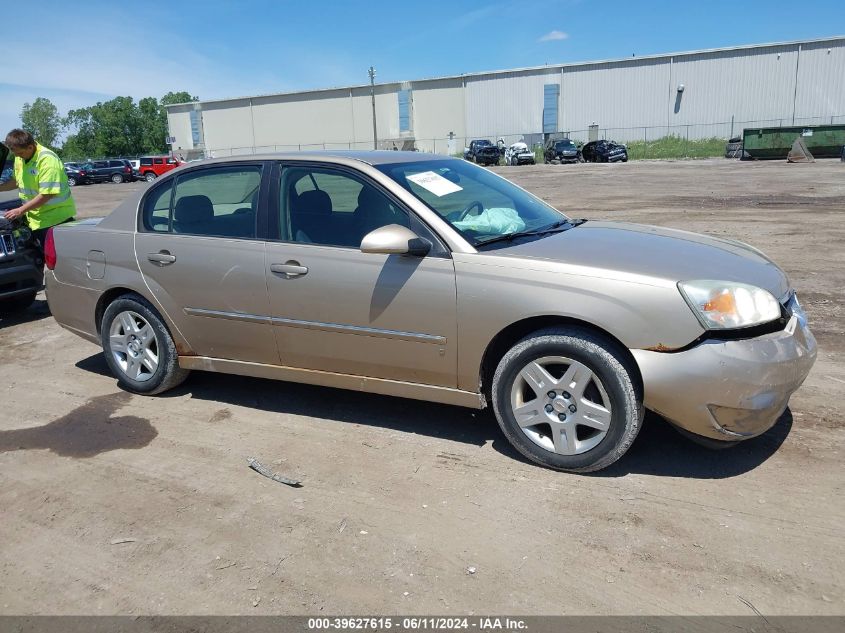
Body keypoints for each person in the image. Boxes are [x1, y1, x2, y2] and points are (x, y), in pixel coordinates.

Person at [0, 129, 76, 254]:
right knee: (41, 258)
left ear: (30, 147)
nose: (17, 156)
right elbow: (16, 181)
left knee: (59, 260)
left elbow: (47, 194)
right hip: (35, 220)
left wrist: (20, 210)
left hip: (56, 221)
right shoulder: (20, 158)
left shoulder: (47, 160)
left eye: (20, 153)